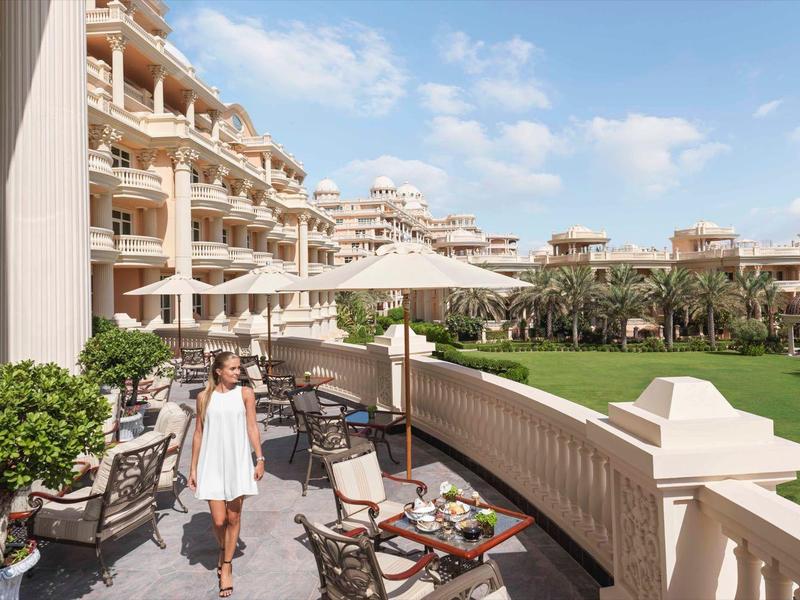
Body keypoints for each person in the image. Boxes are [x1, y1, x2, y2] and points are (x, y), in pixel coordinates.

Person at [189, 351, 264, 598]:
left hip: (237, 462)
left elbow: (252, 426)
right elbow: (198, 433)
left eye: (238, 368)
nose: (237, 372)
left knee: (234, 517)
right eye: (232, 368)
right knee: (219, 520)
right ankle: (223, 549)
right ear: (219, 371)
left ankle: (227, 565)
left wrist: (260, 458)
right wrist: (193, 468)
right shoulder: (203, 397)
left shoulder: (245, 393)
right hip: (211, 463)